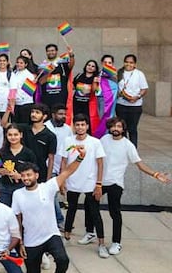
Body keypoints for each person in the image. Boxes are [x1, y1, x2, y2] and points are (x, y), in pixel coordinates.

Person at [13, 150, 88, 273]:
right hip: (31, 240)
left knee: (63, 259)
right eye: (23, 176)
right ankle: (41, 255)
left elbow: (67, 172)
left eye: (29, 175)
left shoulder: (47, 187)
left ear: (36, 175)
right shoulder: (18, 194)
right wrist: (20, 243)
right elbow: (17, 218)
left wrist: (80, 158)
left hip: (50, 234)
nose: (26, 178)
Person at [95, 117, 170, 255]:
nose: (115, 129)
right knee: (91, 207)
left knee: (114, 212)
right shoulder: (104, 140)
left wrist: (155, 174)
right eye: (113, 126)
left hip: (116, 183)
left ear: (123, 129)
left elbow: (140, 164)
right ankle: (94, 236)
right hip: (99, 181)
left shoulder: (128, 145)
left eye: (118, 126)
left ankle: (116, 243)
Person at [61, 115, 108, 257]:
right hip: (72, 181)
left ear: (87, 126)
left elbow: (100, 164)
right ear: (74, 126)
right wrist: (62, 180)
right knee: (71, 210)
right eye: (77, 124)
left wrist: (99, 184)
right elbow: (64, 160)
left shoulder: (95, 142)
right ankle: (67, 237)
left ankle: (101, 244)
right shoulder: (68, 141)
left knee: (95, 212)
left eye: (83, 124)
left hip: (90, 183)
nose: (80, 127)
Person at [45, 103, 73, 228]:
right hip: (46, 165)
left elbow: (69, 148)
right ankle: (59, 220)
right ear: (53, 115)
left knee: (53, 195)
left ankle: (57, 220)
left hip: (60, 166)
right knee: (52, 195)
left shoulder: (67, 129)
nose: (63, 116)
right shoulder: (46, 127)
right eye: (60, 114)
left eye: (64, 114)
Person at [0, 124, 36, 207]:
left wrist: (20, 176)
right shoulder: (2, 152)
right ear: (6, 136)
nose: (13, 137)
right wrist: (3, 171)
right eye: (10, 135)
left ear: (21, 135)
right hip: (5, 187)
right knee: (5, 211)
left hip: (23, 187)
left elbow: (34, 172)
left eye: (15, 134)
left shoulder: (28, 153)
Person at [115, 54, 148, 147]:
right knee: (122, 128)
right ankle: (123, 148)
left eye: (131, 62)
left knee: (132, 129)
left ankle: (133, 149)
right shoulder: (119, 73)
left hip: (135, 106)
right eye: (126, 62)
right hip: (121, 104)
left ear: (135, 64)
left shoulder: (139, 74)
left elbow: (144, 89)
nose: (128, 64)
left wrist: (137, 97)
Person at [39, 44, 75, 109]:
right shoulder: (43, 65)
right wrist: (49, 72)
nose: (51, 52)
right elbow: (41, 82)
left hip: (60, 96)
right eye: (48, 51)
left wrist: (71, 55)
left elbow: (71, 66)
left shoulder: (62, 62)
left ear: (56, 51)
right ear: (46, 52)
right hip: (47, 97)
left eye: (52, 50)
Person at [8, 55, 36, 125]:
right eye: (17, 62)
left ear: (26, 64)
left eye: (21, 63)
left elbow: (29, 92)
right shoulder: (14, 73)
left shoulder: (29, 75)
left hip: (25, 104)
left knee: (24, 125)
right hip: (15, 104)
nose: (19, 64)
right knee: (15, 124)